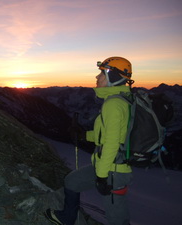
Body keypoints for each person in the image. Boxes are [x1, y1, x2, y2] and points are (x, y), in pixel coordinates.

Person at [45, 56, 134, 225]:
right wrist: (84, 136)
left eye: (102, 73)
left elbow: (112, 143)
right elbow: (107, 135)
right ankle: (67, 218)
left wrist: (101, 176)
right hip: (107, 165)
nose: (97, 77)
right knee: (72, 181)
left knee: (117, 218)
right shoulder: (119, 100)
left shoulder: (114, 105)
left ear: (113, 77)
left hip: (113, 171)